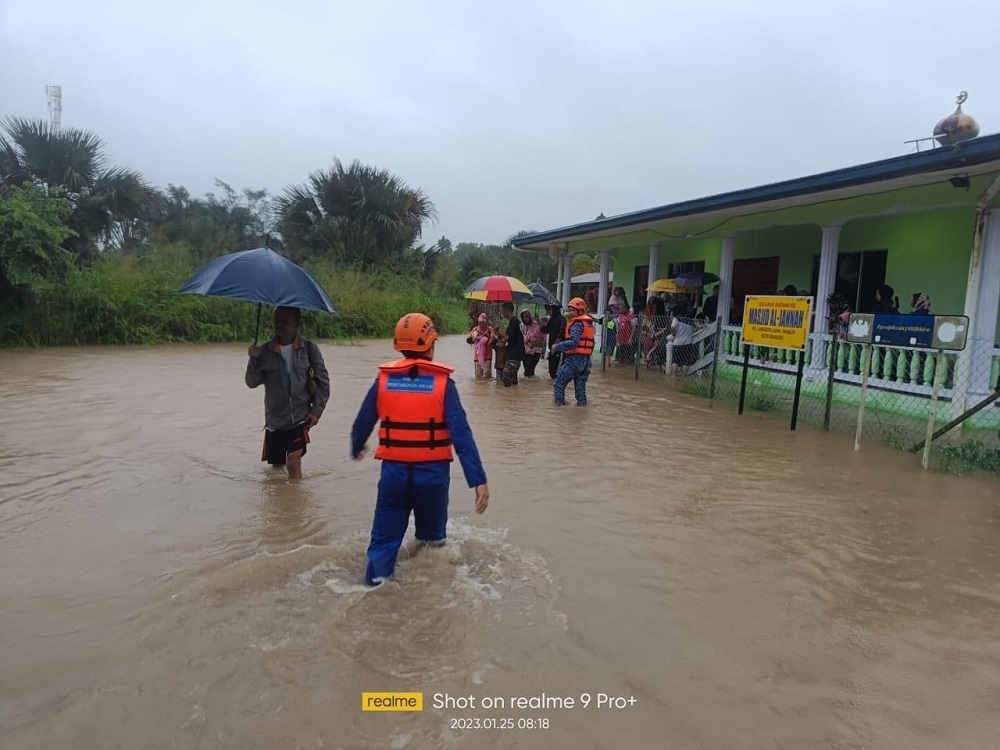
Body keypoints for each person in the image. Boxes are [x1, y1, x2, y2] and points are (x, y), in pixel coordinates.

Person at [350, 313, 490, 586]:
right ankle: (430, 596)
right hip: (433, 478)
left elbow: (361, 424)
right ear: (430, 345)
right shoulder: (443, 384)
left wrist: (357, 447)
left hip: (393, 478)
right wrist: (478, 480)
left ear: (398, 345)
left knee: (383, 544)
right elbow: (462, 436)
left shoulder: (384, 380)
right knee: (432, 544)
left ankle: (375, 591)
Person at [246, 306, 331, 481]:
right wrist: (252, 360)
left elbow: (323, 383)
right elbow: (251, 382)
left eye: (285, 320)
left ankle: (297, 505)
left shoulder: (309, 349)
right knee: (277, 469)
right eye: (277, 320)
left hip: (300, 418)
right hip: (275, 420)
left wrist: (317, 411)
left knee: (293, 461)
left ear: (297, 323)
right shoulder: (265, 351)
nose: (280, 324)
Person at [551, 297, 595, 406]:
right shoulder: (588, 323)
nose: (570, 312)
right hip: (586, 362)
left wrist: (557, 346)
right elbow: (591, 343)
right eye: (569, 310)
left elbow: (573, 343)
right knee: (580, 393)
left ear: (581, 311)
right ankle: (581, 412)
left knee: (559, 383)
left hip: (575, 361)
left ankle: (559, 408)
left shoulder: (577, 325)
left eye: (573, 310)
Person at [498, 301, 524, 387]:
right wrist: (502, 343)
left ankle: (507, 395)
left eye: (503, 310)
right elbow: (508, 338)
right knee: (513, 378)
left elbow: (506, 337)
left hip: (515, 353)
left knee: (505, 375)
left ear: (507, 310)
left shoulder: (514, 321)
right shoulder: (513, 321)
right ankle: (513, 397)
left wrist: (498, 331)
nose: (502, 313)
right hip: (515, 352)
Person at [466, 313, 495, 378]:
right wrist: (475, 338)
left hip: (487, 356)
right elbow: (468, 339)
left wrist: (490, 339)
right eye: (480, 322)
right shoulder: (475, 329)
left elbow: (493, 337)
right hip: (478, 356)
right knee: (478, 376)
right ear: (478, 322)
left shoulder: (489, 329)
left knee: (487, 374)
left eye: (483, 323)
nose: (482, 324)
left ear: (486, 322)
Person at [540, 303, 565, 379]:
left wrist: (556, 345)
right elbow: (545, 330)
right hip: (551, 347)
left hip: (558, 348)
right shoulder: (552, 319)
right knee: (551, 370)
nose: (547, 312)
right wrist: (539, 322)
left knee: (557, 370)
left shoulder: (561, 319)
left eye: (548, 310)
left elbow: (561, 333)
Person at [520, 310, 545, 377]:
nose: (525, 319)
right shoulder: (522, 326)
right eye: (523, 317)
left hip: (535, 351)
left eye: (526, 317)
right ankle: (531, 384)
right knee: (529, 373)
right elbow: (520, 338)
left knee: (527, 372)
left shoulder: (536, 325)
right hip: (525, 351)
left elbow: (541, 338)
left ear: (529, 317)